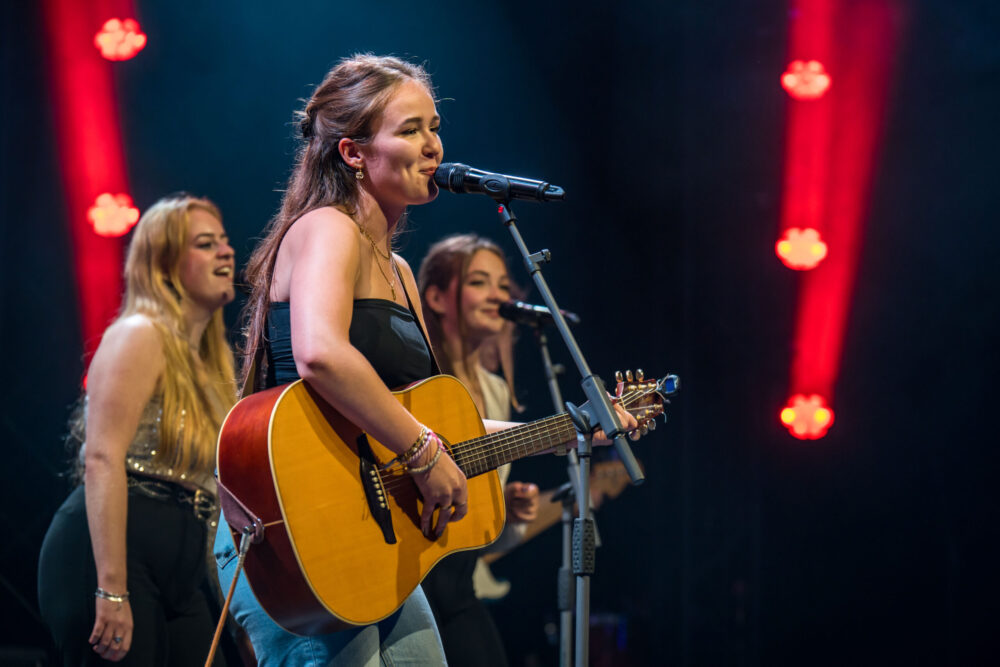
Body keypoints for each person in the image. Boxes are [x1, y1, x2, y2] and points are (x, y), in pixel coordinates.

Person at [213, 53, 637, 665]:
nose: (433, 146)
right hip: (293, 526)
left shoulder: (400, 272)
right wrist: (422, 453)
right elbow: (321, 354)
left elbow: (431, 421)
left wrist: (565, 431)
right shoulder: (327, 227)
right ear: (353, 153)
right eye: (410, 130)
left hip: (369, 534)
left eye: (434, 127)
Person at [38, 194, 237, 665]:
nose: (226, 252)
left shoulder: (214, 366)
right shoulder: (139, 333)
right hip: (113, 555)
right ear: (164, 265)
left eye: (224, 241)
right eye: (205, 244)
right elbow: (101, 457)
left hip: (184, 564)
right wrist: (111, 588)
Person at [417, 233, 540, 666]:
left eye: (503, 286)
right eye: (479, 282)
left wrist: (509, 513)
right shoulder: (420, 378)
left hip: (462, 581)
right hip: (413, 576)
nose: (497, 296)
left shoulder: (496, 391)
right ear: (436, 297)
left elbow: (477, 533)